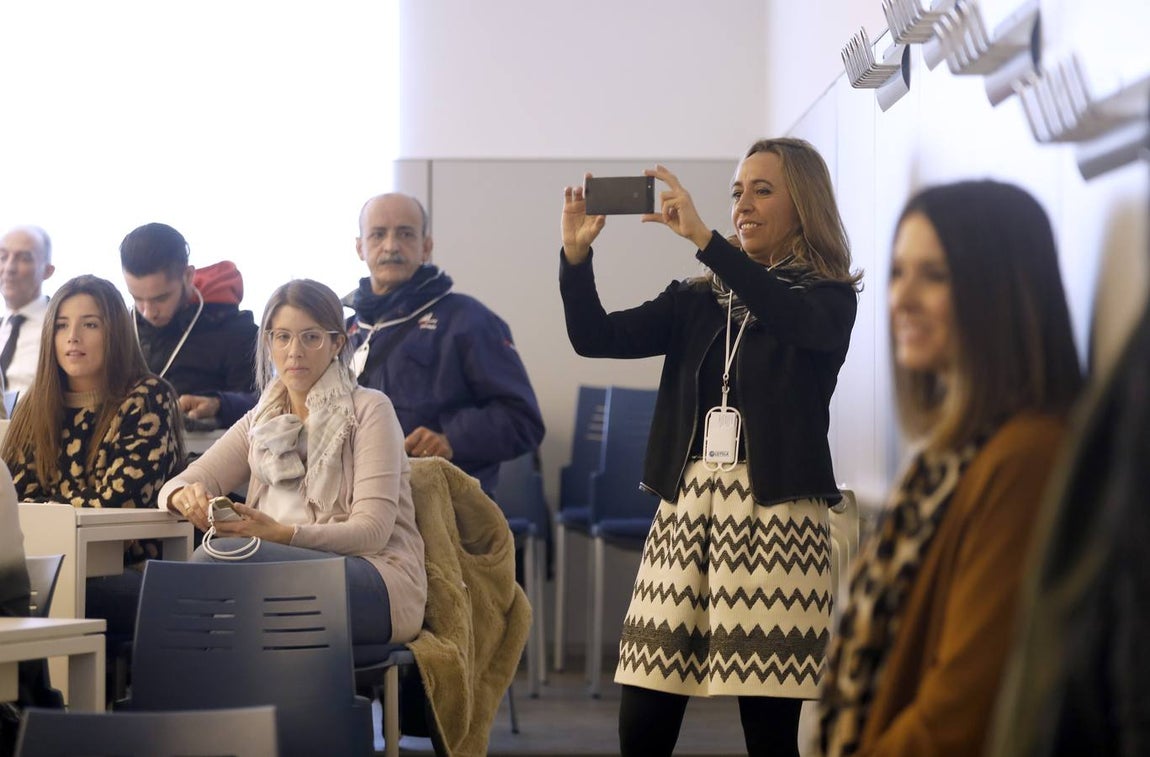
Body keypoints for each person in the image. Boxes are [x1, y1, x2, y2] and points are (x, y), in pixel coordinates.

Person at [559, 137, 862, 757]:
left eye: (762, 190)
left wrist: (707, 243)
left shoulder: (828, 298)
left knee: (769, 733)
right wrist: (574, 256)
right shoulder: (696, 299)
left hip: (778, 518)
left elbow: (787, 315)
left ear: (803, 205)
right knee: (643, 716)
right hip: (687, 511)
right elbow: (594, 337)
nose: (742, 204)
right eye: (736, 192)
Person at [817, 180, 1083, 756]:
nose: (901, 298)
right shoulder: (946, 452)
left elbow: (960, 709)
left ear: (1001, 293)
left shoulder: (1026, 458)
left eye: (933, 276)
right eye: (897, 271)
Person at [158, 279, 427, 652]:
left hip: (374, 581)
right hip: (273, 574)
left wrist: (281, 535)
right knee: (202, 591)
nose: (294, 352)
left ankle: (176, 703)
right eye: (282, 337)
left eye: (311, 337)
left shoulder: (370, 409)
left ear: (336, 343)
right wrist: (184, 497)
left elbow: (372, 532)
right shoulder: (260, 420)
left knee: (219, 560)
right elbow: (177, 484)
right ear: (268, 343)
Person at [0, 274, 184, 642]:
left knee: (54, 599)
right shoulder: (34, 404)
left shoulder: (147, 397)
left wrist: (46, 508)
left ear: (114, 332)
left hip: (129, 569)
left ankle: (46, 699)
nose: (73, 338)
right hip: (42, 566)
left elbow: (118, 500)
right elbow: (13, 501)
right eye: (62, 325)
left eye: (90, 325)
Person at [346, 193, 544, 494]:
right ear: (360, 247)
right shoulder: (342, 332)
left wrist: (451, 439)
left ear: (426, 247)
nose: (391, 246)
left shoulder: (468, 320)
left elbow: (523, 421)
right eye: (378, 234)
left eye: (405, 233)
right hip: (355, 505)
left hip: (441, 511)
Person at [120, 222, 258, 429]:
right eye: (137, 298)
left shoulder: (238, 332)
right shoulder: (121, 329)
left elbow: (267, 406)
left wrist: (220, 405)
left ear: (188, 276)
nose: (148, 312)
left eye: (161, 298)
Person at [0, 225, 56, 399]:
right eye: (2, 257)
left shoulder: (60, 327)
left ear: (47, 271)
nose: (9, 268)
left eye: (24, 258)